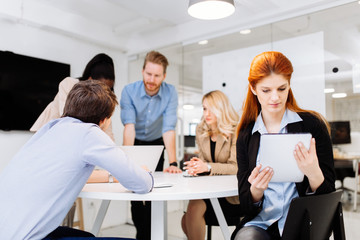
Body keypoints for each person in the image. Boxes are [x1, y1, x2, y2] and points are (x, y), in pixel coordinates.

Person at [0, 80, 153, 240]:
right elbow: (142, 184)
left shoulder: (50, 128)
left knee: (86, 236)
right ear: (103, 120)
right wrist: (146, 174)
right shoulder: (89, 133)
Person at [232, 51, 336, 240]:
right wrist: (256, 191)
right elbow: (245, 204)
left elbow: (329, 196)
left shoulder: (312, 125)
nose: (275, 98)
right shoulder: (246, 136)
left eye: (282, 88)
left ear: (289, 85)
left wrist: (313, 172)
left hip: (305, 221)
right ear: (253, 88)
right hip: (262, 223)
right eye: (266, 90)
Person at [120, 50, 181, 240]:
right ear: (142, 71)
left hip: (157, 143)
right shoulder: (129, 91)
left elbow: (168, 129)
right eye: (149, 74)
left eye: (157, 75)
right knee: (136, 192)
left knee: (154, 189)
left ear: (164, 76)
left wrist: (173, 163)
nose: (152, 80)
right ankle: (142, 235)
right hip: (135, 142)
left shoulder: (170, 92)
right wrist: (125, 160)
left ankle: (153, 235)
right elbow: (129, 127)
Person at [181, 90, 242, 240]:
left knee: (190, 215)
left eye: (211, 109)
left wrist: (208, 167)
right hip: (209, 190)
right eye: (204, 108)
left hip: (230, 196)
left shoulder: (236, 130)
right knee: (188, 216)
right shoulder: (201, 129)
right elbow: (203, 159)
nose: (206, 113)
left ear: (221, 109)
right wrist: (197, 166)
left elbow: (235, 167)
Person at [30, 53, 116, 140]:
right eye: (101, 87)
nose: (105, 92)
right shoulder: (69, 84)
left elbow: (108, 131)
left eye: (108, 88)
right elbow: (67, 117)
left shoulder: (105, 99)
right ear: (90, 79)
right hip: (51, 132)